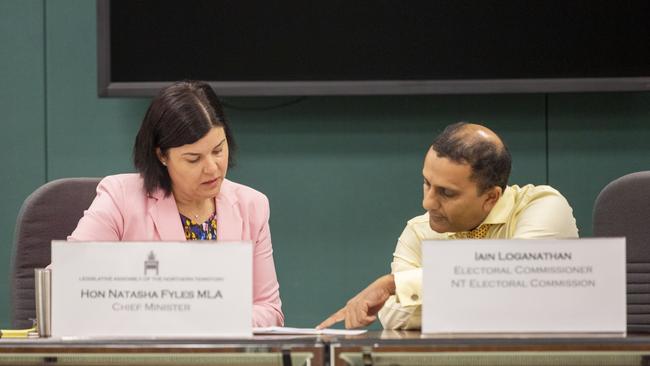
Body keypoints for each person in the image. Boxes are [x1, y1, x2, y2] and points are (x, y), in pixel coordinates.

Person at [317, 122, 578, 330]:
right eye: (426, 183)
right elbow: (395, 314)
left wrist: (394, 283)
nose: (427, 202)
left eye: (447, 193)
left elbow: (515, 273)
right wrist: (493, 299)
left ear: (491, 197)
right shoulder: (419, 231)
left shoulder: (544, 205)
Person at [69, 80, 283, 327]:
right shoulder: (120, 199)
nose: (212, 168)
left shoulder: (251, 206)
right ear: (161, 155)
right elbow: (65, 283)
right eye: (194, 159)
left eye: (218, 150)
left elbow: (270, 311)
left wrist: (212, 321)